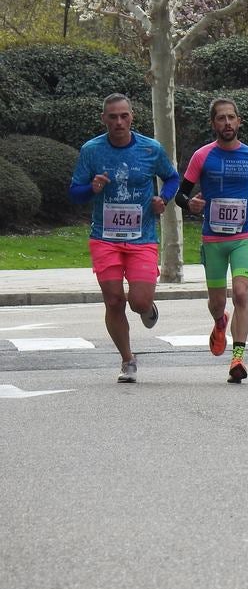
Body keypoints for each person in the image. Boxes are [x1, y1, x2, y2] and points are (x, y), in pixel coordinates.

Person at [68, 94, 179, 383]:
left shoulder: (150, 149)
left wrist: (162, 200)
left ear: (132, 117)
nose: (119, 122)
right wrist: (91, 188)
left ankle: (147, 307)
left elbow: (172, 178)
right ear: (103, 119)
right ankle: (127, 359)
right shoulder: (91, 150)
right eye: (113, 117)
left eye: (124, 116)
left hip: (142, 237)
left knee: (138, 302)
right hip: (104, 237)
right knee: (114, 300)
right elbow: (74, 192)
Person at [175, 98, 248, 384]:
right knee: (217, 303)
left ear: (239, 121)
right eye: (221, 118)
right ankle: (220, 321)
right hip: (213, 238)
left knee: (241, 293)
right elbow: (181, 194)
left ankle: (238, 357)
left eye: (232, 117)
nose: (227, 123)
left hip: (244, 236)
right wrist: (190, 204)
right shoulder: (203, 156)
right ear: (213, 124)